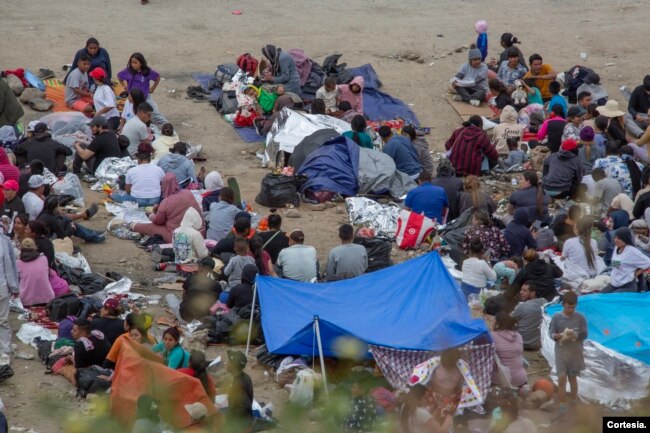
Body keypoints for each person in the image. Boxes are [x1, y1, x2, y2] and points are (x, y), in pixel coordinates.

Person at [132, 173, 204, 243]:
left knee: (151, 227)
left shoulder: (166, 201)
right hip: (201, 233)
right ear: (176, 182)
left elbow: (158, 221)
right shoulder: (188, 193)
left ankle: (133, 226)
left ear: (163, 185)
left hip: (181, 238)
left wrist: (151, 215)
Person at [549, 292, 587, 404]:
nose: (570, 310)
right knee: (561, 378)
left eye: (573, 307)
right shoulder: (557, 317)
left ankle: (573, 401)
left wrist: (576, 335)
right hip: (561, 352)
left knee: (572, 378)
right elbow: (551, 332)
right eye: (568, 307)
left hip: (574, 352)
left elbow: (585, 334)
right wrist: (556, 336)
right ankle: (562, 404)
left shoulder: (580, 318)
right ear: (563, 304)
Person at [117, 53, 166, 126]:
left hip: (145, 98)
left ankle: (170, 130)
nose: (133, 64)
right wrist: (124, 86)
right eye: (131, 62)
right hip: (132, 98)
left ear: (141, 63)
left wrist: (152, 89)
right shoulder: (128, 71)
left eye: (135, 63)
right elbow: (119, 76)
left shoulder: (147, 71)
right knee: (130, 115)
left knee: (156, 115)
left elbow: (157, 77)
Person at [601, 227, 650, 293]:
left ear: (626, 239)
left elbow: (648, 262)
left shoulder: (632, 251)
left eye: (619, 238)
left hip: (628, 285)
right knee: (601, 296)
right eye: (615, 237)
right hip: (615, 283)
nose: (616, 240)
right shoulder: (617, 248)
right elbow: (617, 264)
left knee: (612, 299)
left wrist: (635, 274)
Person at [491, 312, 527, 390]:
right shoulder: (518, 335)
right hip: (521, 379)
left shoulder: (492, 336)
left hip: (501, 380)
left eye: (493, 321)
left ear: (497, 323)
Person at [561, 217, 604, 281]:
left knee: (559, 262)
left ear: (577, 229)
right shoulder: (594, 241)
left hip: (576, 274)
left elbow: (563, 258)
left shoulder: (569, 242)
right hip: (592, 274)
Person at [16, 238, 54, 307]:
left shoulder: (18, 263)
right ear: (35, 247)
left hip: (26, 300)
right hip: (47, 297)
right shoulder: (44, 258)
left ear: (20, 248)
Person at [511, 282, 546, 351]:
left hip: (522, 343)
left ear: (533, 293)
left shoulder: (522, 306)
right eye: (521, 290)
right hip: (537, 344)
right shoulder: (544, 302)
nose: (521, 292)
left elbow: (508, 319)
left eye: (524, 291)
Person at [225, 350, 254, 433]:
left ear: (233, 366)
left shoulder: (237, 385)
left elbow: (244, 407)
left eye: (228, 362)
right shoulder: (246, 377)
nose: (226, 363)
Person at [0, 227, 17, 359]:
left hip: (2, 286)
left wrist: (13, 287)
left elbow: (9, 266)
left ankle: (5, 350)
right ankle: (5, 349)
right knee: (3, 321)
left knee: (3, 320)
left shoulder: (4, 242)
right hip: (2, 286)